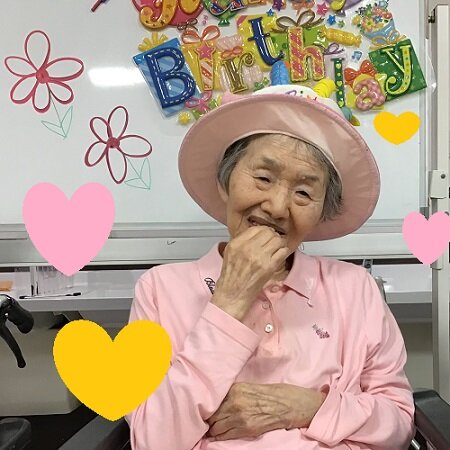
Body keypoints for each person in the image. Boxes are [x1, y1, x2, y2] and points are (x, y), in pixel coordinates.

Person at [125, 83, 415, 450]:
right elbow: (153, 440)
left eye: (304, 193)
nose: (277, 207)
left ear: (321, 212)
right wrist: (229, 300)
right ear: (225, 182)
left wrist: (310, 407)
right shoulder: (159, 289)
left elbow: (399, 424)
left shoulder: (356, 288)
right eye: (263, 178)